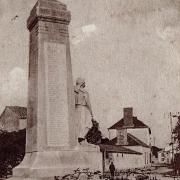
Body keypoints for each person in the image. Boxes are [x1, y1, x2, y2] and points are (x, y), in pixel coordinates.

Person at [74, 77, 93, 145]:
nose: (85, 84)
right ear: (82, 83)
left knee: (78, 124)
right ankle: (81, 137)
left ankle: (79, 138)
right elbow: (88, 102)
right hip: (83, 108)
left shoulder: (73, 90)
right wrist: (91, 112)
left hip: (75, 109)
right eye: (84, 82)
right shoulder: (84, 92)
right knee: (88, 124)